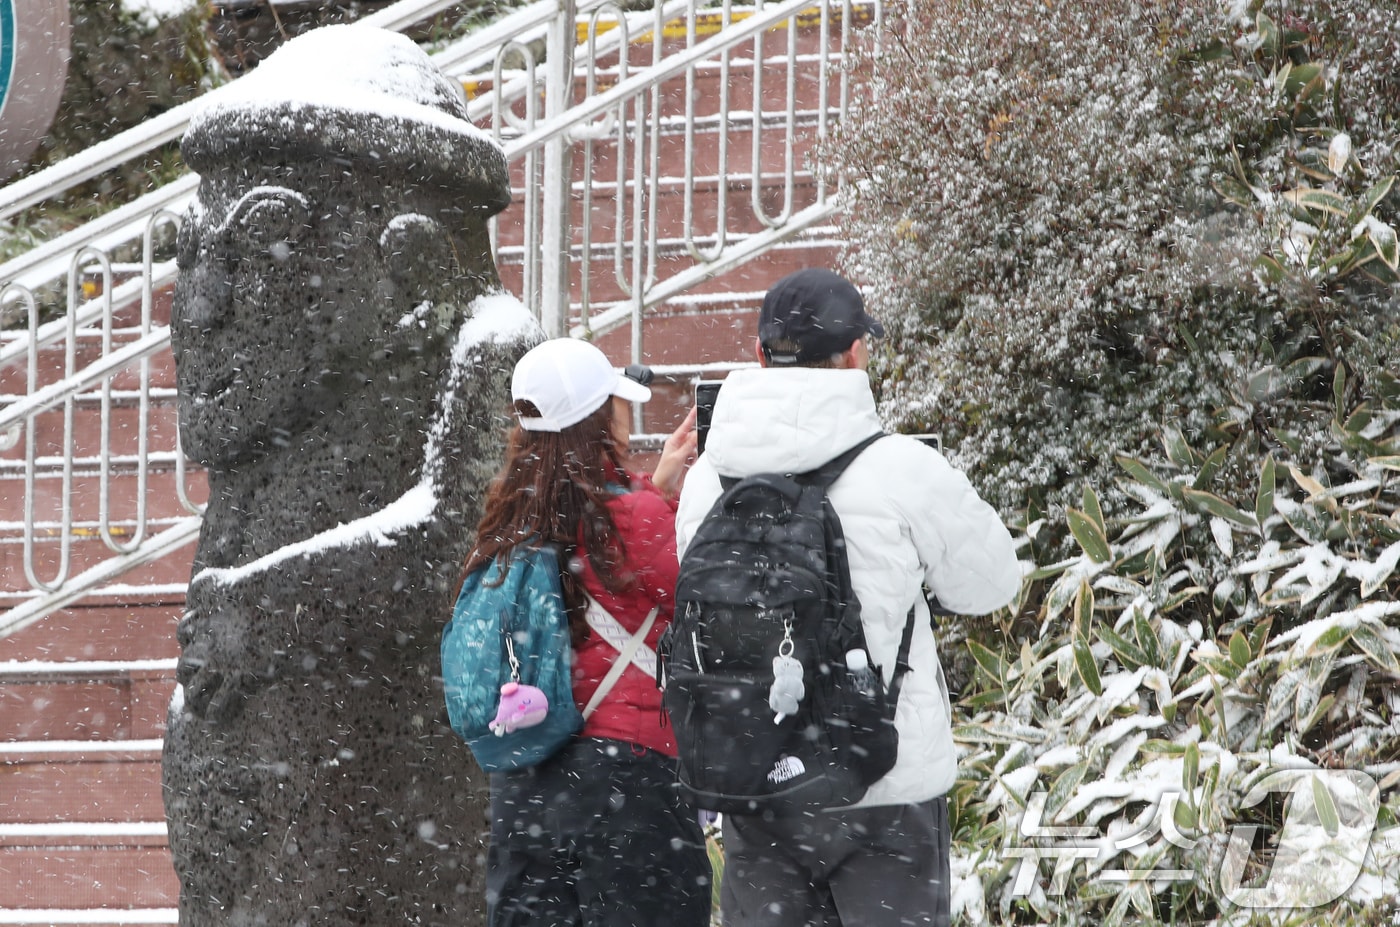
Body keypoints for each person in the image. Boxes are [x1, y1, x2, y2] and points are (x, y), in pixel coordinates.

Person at [675, 268, 1022, 927]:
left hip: (756, 775)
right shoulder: (901, 468)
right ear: (856, 353)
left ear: (758, 353)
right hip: (883, 779)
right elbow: (992, 586)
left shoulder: (706, 479)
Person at [465, 337, 712, 927]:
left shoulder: (508, 517)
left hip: (524, 779)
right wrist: (670, 498)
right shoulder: (635, 518)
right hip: (625, 777)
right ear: (600, 419)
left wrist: (655, 486)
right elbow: (695, 597)